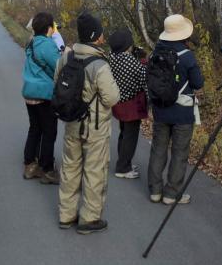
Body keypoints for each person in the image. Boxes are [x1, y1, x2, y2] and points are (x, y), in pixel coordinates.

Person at [56, 12, 120, 234]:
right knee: (94, 172)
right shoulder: (99, 65)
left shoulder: (67, 57)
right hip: (95, 128)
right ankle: (89, 219)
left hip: (72, 122)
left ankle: (66, 215)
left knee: (70, 168)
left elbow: (58, 84)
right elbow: (111, 98)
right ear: (97, 36)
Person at [148, 14, 204, 206]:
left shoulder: (155, 53)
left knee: (158, 149)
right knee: (179, 153)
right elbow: (198, 83)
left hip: (160, 109)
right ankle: (171, 194)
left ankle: (155, 191)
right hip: (182, 112)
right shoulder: (187, 56)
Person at [21, 12, 61, 184]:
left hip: (29, 92)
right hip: (44, 93)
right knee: (49, 131)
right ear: (49, 28)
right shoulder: (47, 45)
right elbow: (58, 66)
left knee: (35, 128)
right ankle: (47, 169)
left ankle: (30, 165)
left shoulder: (31, 42)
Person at [107, 29, 148, 179]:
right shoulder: (129, 60)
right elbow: (144, 76)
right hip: (131, 103)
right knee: (130, 136)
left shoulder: (112, 57)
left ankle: (124, 161)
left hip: (119, 101)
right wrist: (143, 60)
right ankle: (123, 167)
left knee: (124, 134)